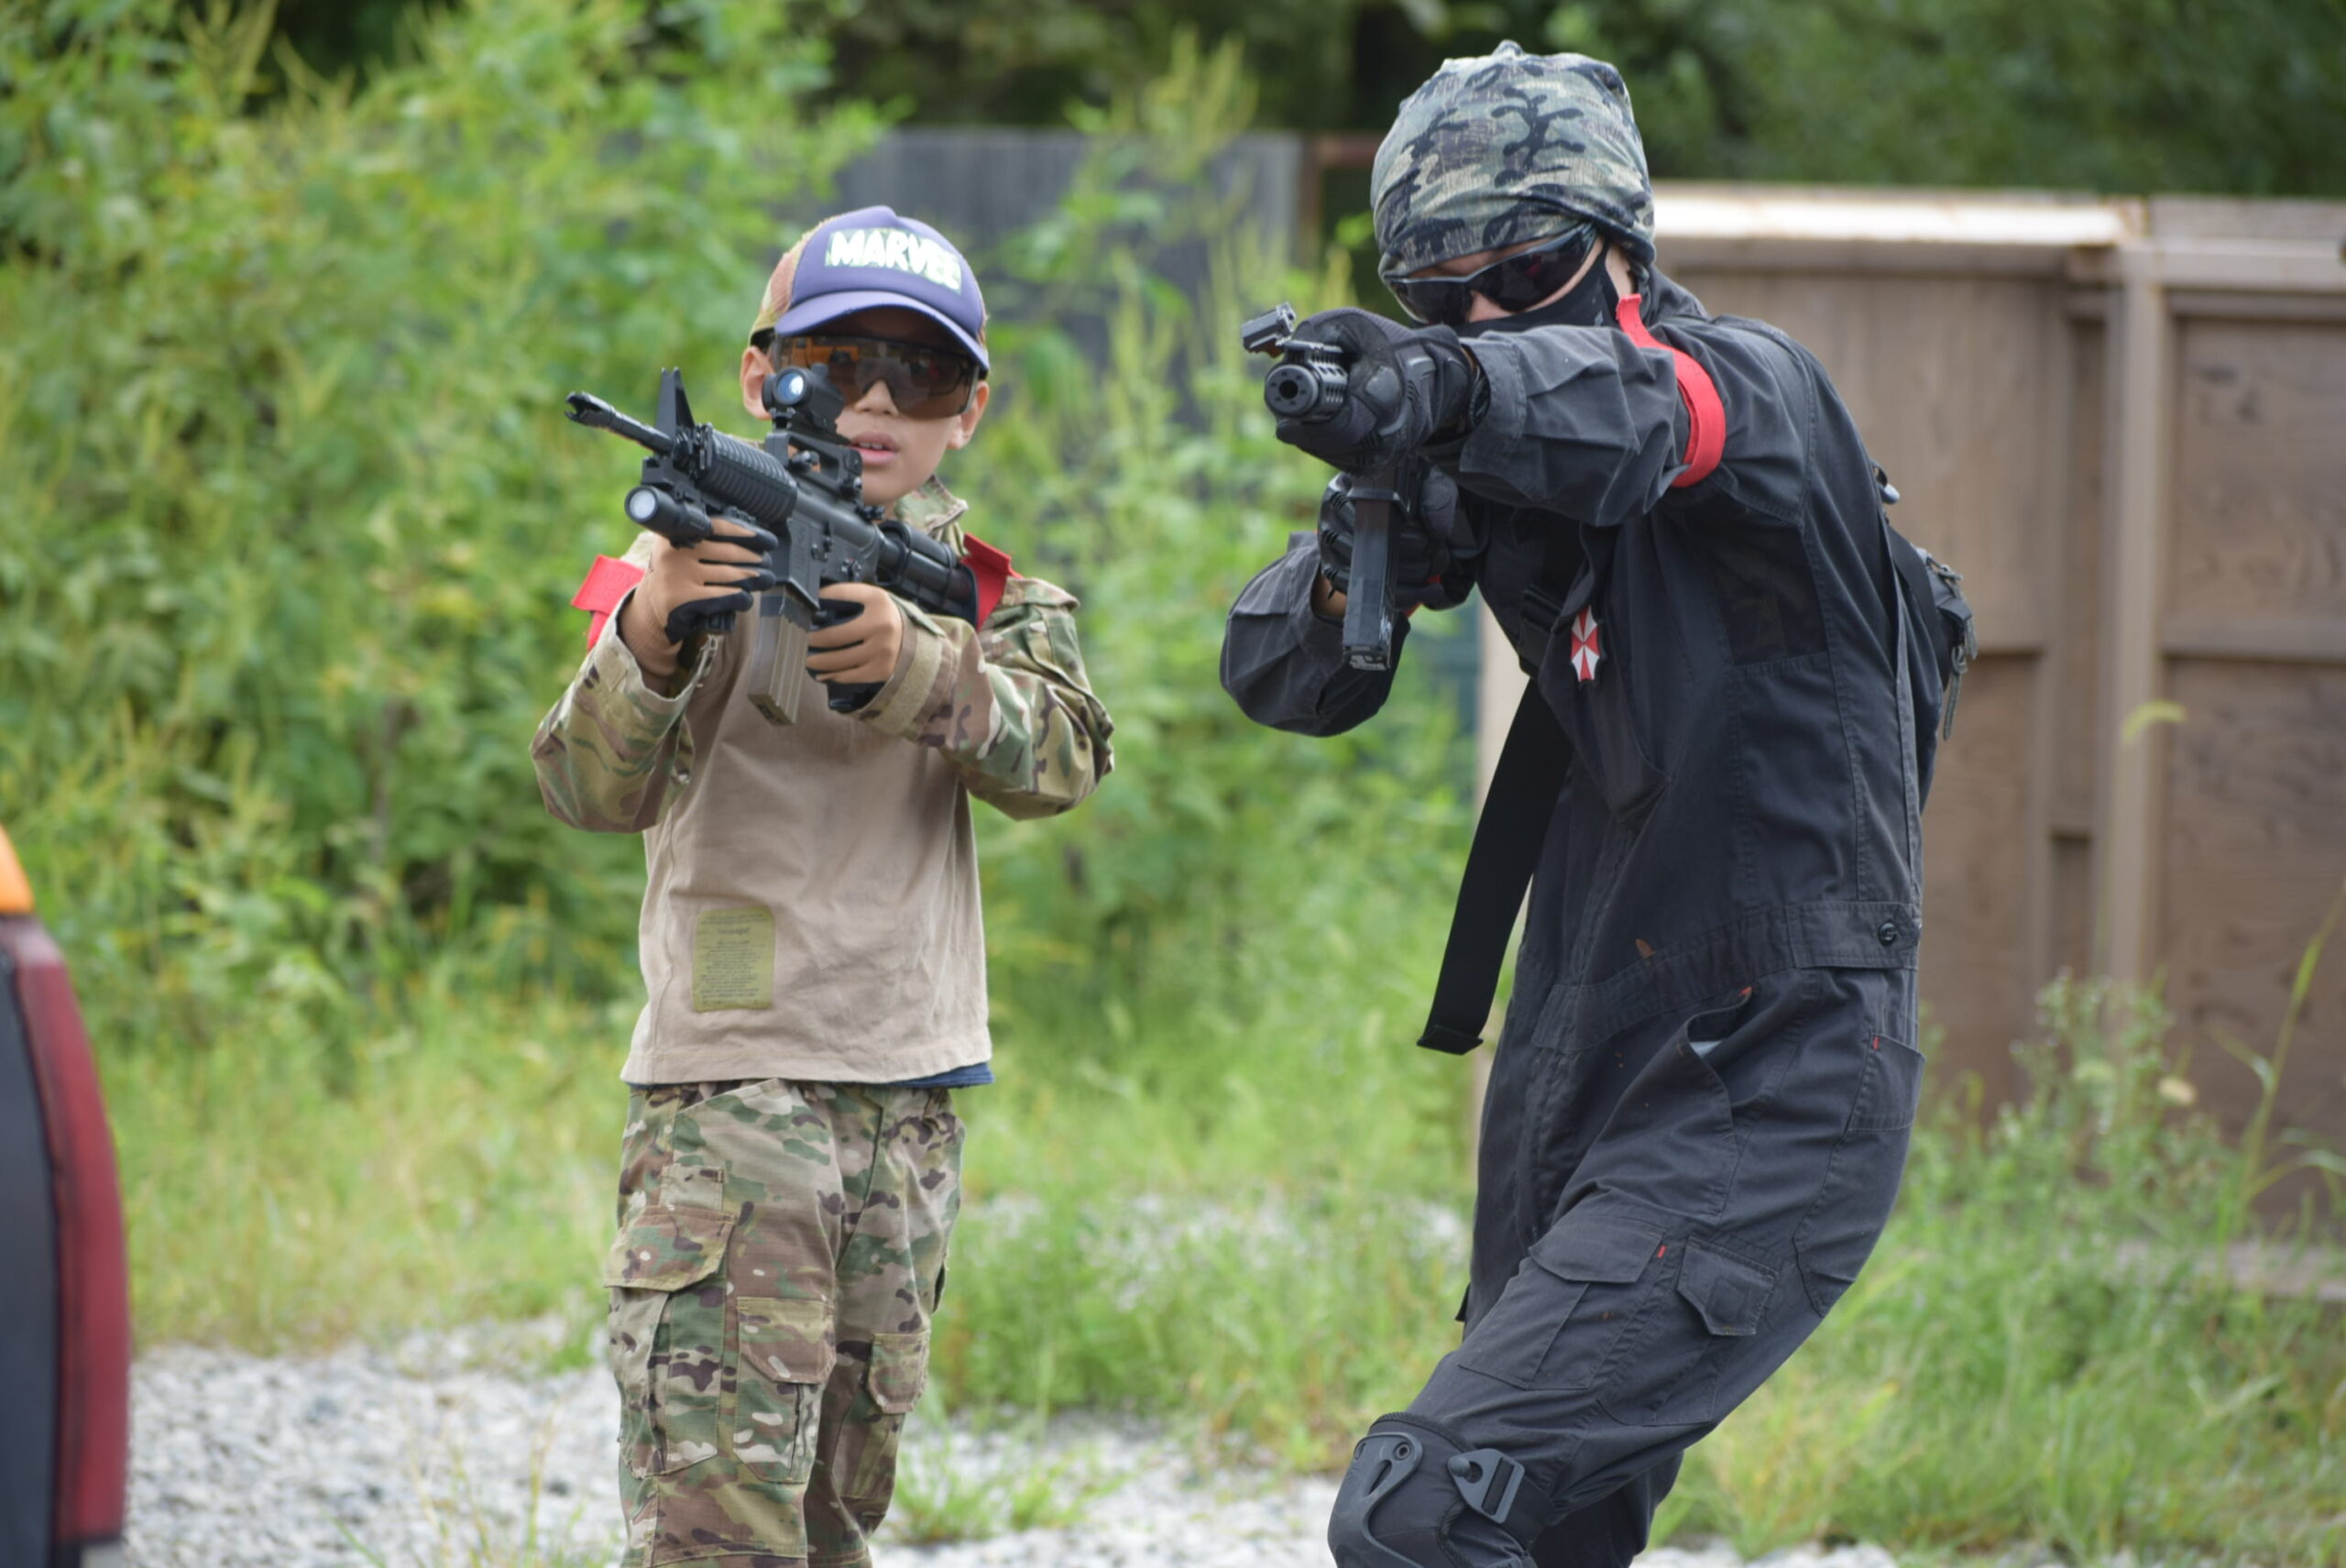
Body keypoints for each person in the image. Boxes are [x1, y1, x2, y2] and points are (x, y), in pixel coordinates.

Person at [1222, 45, 1968, 1568]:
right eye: (1440, 298)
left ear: (1623, 250)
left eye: (1527, 274)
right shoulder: (1510, 457)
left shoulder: (1752, 394)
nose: (1490, 317)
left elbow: (1637, 412)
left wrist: (1447, 385)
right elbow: (1286, 679)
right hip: (1587, 1058)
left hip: (1771, 1070)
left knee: (1422, 1512)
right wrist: (1374, 526)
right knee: (1546, 1538)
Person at [532, 205, 1113, 1568]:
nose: (876, 404)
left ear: (970, 409)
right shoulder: (683, 564)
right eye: (839, 364)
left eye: (921, 375)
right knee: (715, 1526)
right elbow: (583, 787)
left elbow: (1067, 760)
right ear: (763, 378)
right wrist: (657, 625)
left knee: (838, 1516)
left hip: (909, 1093)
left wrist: (922, 670)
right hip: (728, 1096)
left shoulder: (986, 595)